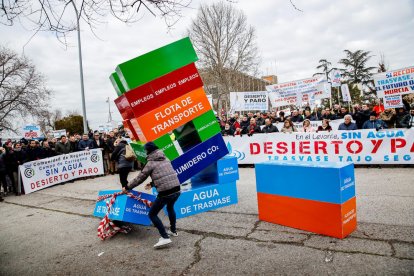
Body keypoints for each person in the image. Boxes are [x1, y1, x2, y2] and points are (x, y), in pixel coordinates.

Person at [124, 142, 181, 249]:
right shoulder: (165, 158)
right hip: (177, 189)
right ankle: (173, 231)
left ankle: (164, 237)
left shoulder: (150, 163)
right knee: (170, 207)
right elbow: (166, 175)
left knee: (152, 214)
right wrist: (152, 184)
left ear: (148, 151)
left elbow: (139, 178)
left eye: (145, 150)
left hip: (166, 192)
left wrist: (127, 187)